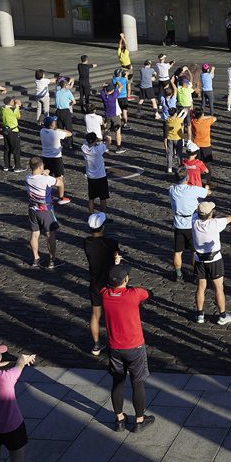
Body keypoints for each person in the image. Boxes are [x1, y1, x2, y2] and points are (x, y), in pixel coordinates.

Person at [101, 265, 156, 432]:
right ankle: (139, 420)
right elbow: (148, 294)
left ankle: (119, 419)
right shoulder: (134, 294)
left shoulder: (104, 294)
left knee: (117, 382)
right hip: (134, 346)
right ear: (125, 280)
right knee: (137, 383)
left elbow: (108, 286)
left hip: (114, 347)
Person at [83, 211, 122, 356]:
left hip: (95, 283)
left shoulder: (87, 243)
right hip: (110, 283)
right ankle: (116, 342)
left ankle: (96, 345)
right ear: (103, 227)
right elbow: (117, 257)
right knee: (114, 315)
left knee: (95, 314)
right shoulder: (111, 243)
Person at [192, 201, 231, 325]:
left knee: (200, 287)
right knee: (218, 288)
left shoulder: (194, 220)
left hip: (199, 259)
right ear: (210, 213)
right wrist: (217, 216)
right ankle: (222, 315)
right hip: (214, 260)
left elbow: (197, 214)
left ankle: (200, 314)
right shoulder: (215, 223)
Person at [169, 167, 209, 283]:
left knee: (178, 252)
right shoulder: (193, 190)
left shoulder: (172, 190)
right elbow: (207, 193)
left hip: (178, 224)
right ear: (187, 177)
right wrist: (206, 187)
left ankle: (178, 274)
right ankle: (196, 274)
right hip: (191, 224)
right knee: (194, 251)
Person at [25, 157, 65, 269]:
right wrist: (48, 175)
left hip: (33, 209)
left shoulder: (28, 177)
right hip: (45, 210)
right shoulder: (45, 179)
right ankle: (52, 260)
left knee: (34, 234)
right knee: (50, 235)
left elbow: (36, 176)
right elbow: (60, 183)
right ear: (40, 166)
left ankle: (36, 258)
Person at [82, 132, 110, 215]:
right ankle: (103, 216)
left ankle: (91, 215)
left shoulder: (83, 148)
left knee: (91, 198)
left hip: (90, 177)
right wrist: (105, 137)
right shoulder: (98, 149)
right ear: (95, 140)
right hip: (101, 176)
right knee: (103, 197)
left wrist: (95, 141)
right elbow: (108, 142)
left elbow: (87, 142)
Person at [0, 95, 22, 172]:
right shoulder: (13, 110)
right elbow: (18, 116)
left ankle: (6, 165)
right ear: (10, 102)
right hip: (13, 131)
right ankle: (17, 167)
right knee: (16, 149)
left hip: (6, 131)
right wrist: (18, 107)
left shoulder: (2, 109)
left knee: (7, 149)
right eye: (12, 101)